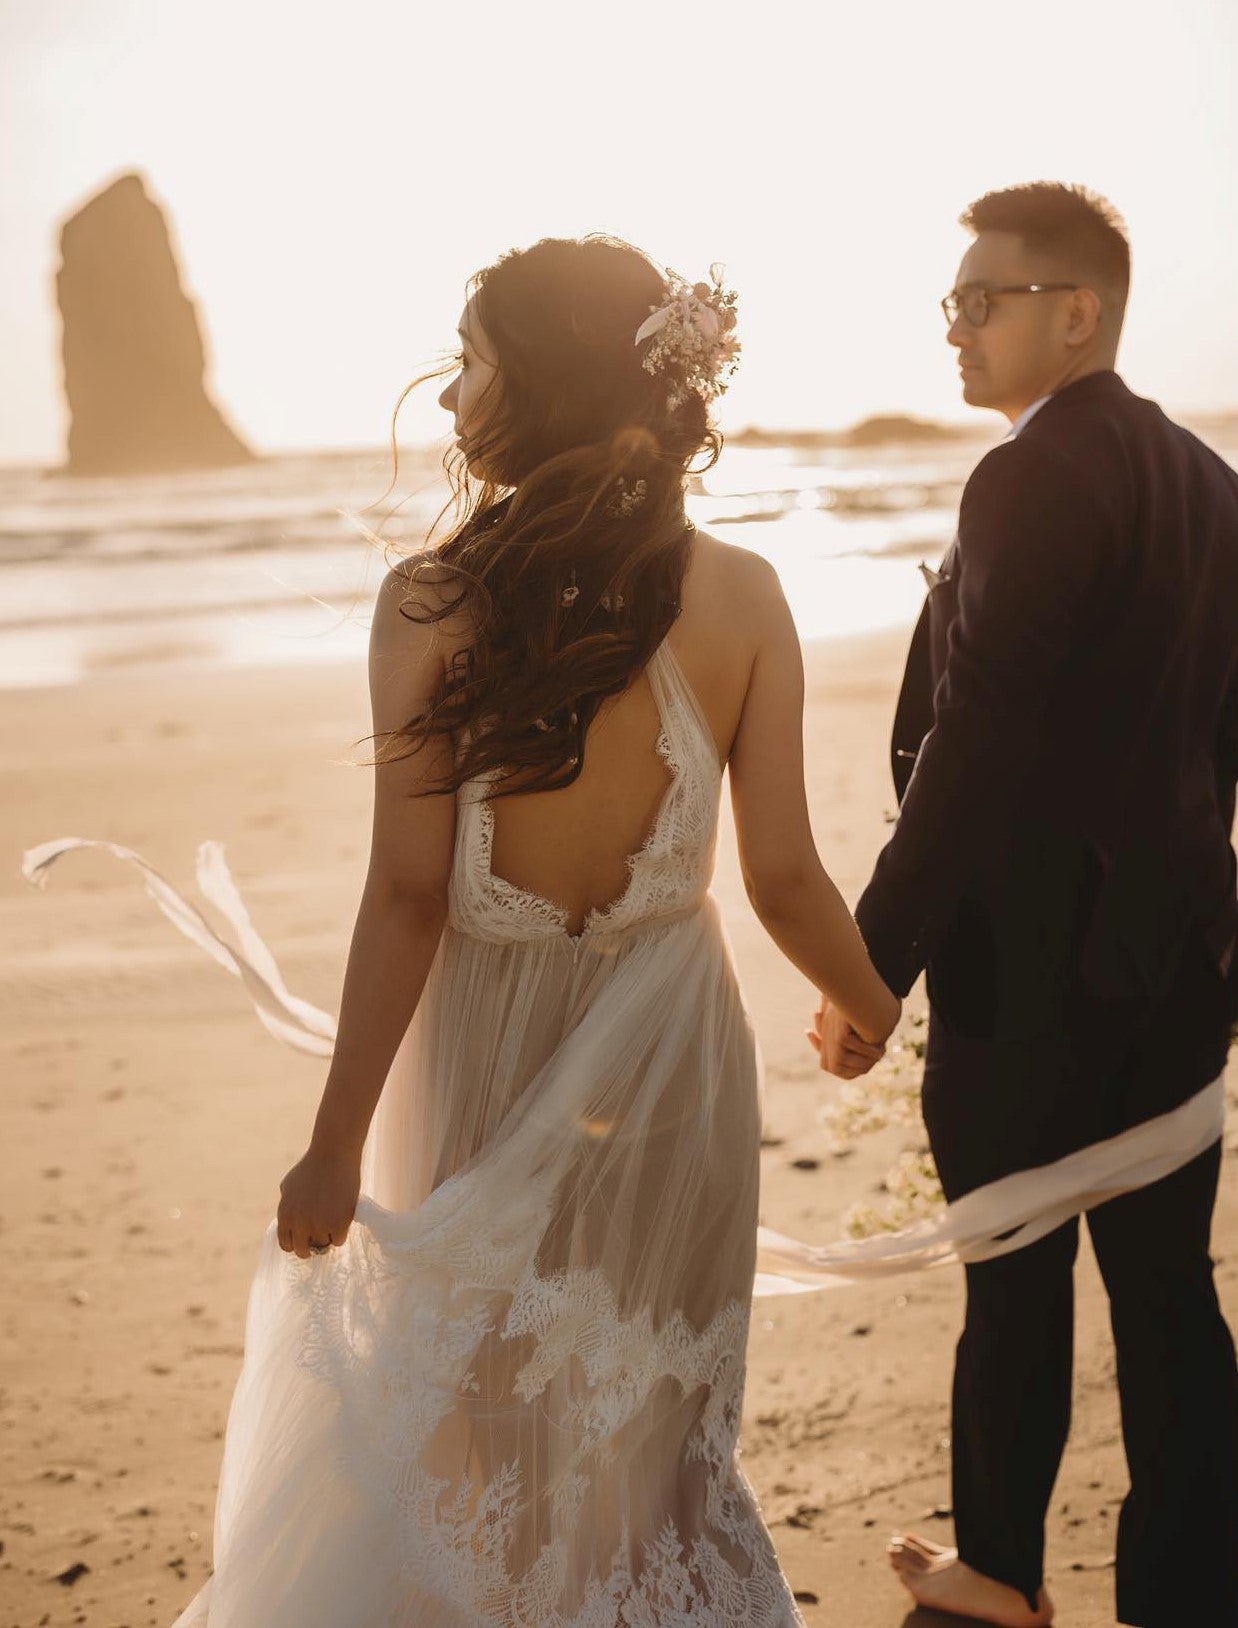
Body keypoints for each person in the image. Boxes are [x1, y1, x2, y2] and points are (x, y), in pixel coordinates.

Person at [168, 235, 900, 1626]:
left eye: (475, 363)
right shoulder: (743, 597)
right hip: (672, 1047)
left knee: (465, 1406)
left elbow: (405, 895)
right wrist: (867, 1003)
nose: (449, 401)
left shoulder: (429, 603)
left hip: (480, 1041)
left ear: (547, 388)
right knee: (660, 1415)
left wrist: (335, 1138)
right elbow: (787, 876)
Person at [817, 182, 1238, 1628]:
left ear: (1076, 310)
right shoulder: (1207, 480)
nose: (953, 328)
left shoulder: (1027, 475)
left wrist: (871, 964)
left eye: (979, 301)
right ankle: (1188, 1592)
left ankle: (989, 1583)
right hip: (1175, 973)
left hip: (1029, 979)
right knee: (1168, 1293)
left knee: (1012, 1285)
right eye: (949, 302)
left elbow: (975, 734)